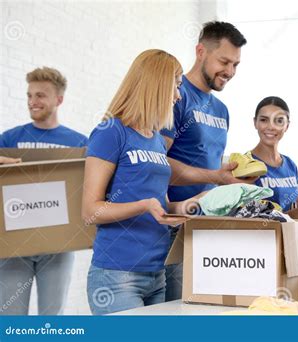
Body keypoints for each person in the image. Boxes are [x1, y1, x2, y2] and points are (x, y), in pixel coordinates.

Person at [82, 49, 201, 315]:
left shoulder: (157, 139)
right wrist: (143, 205)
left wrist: (195, 205)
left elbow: (163, 205)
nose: (178, 95)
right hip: (117, 276)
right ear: (157, 84)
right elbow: (90, 211)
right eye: (176, 86)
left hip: (157, 273)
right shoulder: (111, 131)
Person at [160, 21, 248, 301]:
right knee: (176, 311)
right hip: (174, 225)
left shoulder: (221, 110)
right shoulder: (177, 95)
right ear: (200, 51)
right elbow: (155, 165)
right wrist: (215, 177)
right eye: (224, 61)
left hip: (209, 225)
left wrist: (231, 179)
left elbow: (212, 165)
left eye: (236, 64)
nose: (230, 72)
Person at [0, 67, 88, 315]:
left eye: (40, 95)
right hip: (13, 247)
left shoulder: (79, 143)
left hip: (58, 248)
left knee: (52, 321)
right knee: (10, 321)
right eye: (29, 95)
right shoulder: (8, 139)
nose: (32, 102)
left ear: (58, 100)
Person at [250, 96, 298, 218]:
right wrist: (296, 213)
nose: (271, 127)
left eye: (279, 121)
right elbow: (251, 218)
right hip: (265, 236)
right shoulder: (246, 164)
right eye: (264, 120)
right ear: (255, 123)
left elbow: (295, 206)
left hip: (293, 234)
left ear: (287, 126)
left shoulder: (290, 164)